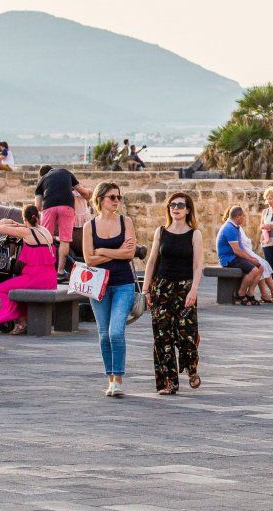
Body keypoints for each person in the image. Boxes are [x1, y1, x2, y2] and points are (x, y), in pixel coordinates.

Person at [143, 192, 204, 394]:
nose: (176, 208)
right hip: (161, 287)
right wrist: (146, 289)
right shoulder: (161, 232)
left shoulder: (194, 234)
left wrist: (193, 289)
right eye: (172, 205)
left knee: (187, 335)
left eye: (180, 205)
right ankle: (169, 383)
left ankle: (191, 367)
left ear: (188, 210)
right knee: (163, 336)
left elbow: (198, 265)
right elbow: (152, 261)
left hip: (185, 287)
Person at [82, 182, 138, 397]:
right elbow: (89, 259)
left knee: (116, 332)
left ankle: (118, 378)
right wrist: (117, 251)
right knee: (104, 334)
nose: (116, 201)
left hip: (123, 283)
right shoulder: (90, 227)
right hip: (99, 286)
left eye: (118, 197)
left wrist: (103, 250)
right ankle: (110, 378)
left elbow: (129, 254)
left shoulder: (126, 222)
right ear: (100, 200)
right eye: (112, 197)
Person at [0, 206, 57, 334]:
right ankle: (23, 319)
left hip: (35, 278)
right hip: (50, 278)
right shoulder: (44, 230)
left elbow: (0, 228)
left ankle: (17, 320)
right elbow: (25, 227)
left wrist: (6, 221)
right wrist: (19, 223)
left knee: (0, 289)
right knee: (19, 290)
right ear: (38, 217)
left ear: (25, 219)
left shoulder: (28, 233)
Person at [35, 165, 91, 275]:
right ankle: (60, 271)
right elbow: (83, 192)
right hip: (67, 206)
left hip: (49, 207)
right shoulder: (66, 172)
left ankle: (45, 270)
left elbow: (38, 206)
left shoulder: (42, 180)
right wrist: (89, 194)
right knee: (65, 240)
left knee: (46, 239)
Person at [216, 205, 265, 305]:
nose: (244, 218)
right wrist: (251, 260)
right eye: (243, 216)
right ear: (237, 216)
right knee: (254, 270)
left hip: (235, 257)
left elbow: (241, 248)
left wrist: (251, 258)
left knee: (261, 267)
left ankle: (250, 293)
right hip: (228, 259)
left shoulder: (235, 226)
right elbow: (237, 250)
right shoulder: (229, 228)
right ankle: (240, 294)